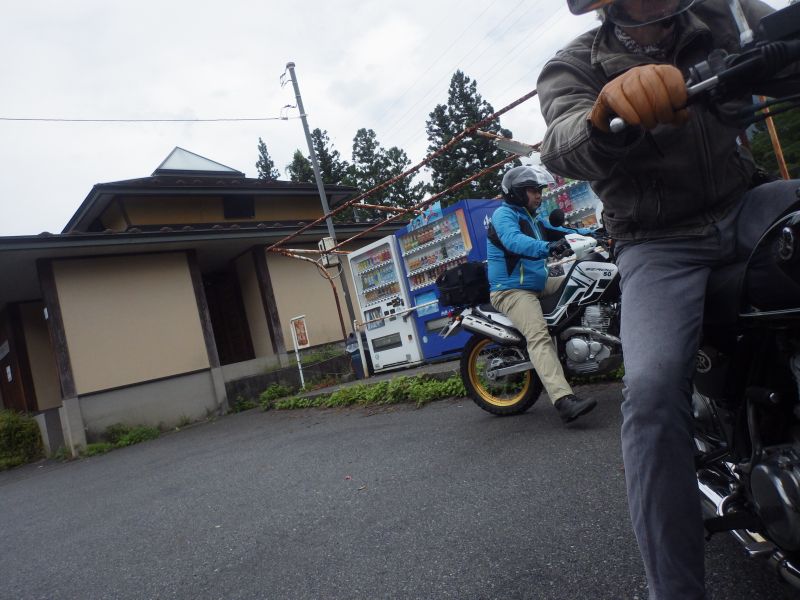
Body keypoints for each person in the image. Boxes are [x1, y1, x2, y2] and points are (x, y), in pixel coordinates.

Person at [537, 1, 800, 598]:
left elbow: (783, 46)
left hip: (746, 201)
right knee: (653, 391)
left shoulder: (726, 12)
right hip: (657, 240)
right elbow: (561, 140)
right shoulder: (575, 64)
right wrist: (605, 113)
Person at [487, 164, 598, 424]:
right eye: (532, 190)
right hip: (511, 290)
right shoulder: (504, 216)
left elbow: (563, 233)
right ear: (516, 192)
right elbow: (514, 241)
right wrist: (549, 247)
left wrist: (596, 233)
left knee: (587, 279)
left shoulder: (533, 218)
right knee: (538, 336)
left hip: (539, 283)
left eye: (539, 189)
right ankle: (563, 400)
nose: (539, 194)